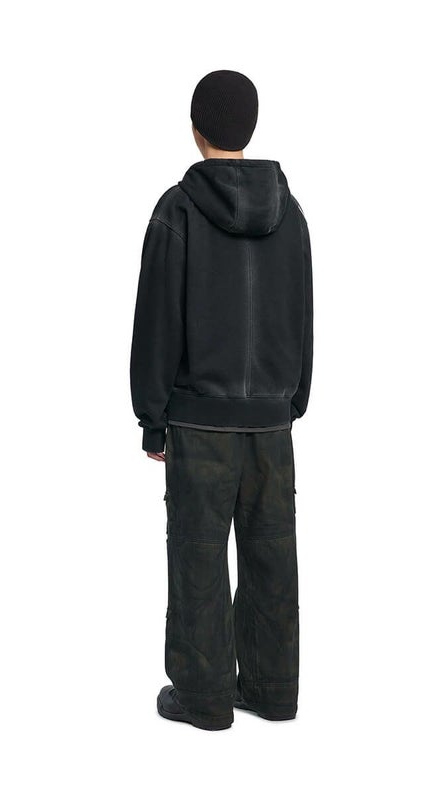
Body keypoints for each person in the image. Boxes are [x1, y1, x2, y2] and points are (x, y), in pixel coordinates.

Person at [129, 69, 314, 731]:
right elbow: (303, 311)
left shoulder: (177, 210)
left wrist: (152, 418)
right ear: (250, 127)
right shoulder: (290, 212)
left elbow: (156, 320)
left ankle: (204, 699)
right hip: (271, 421)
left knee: (198, 558)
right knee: (273, 556)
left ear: (195, 127)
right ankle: (272, 691)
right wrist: (293, 400)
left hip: (199, 421)